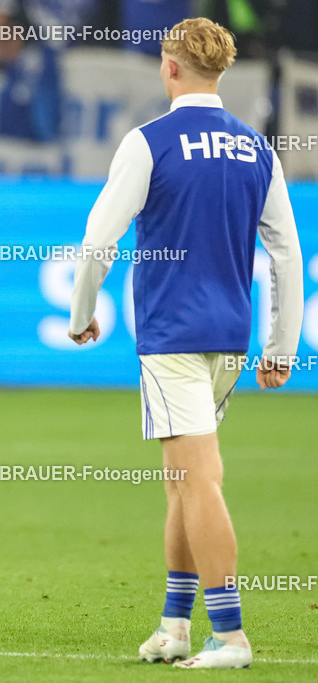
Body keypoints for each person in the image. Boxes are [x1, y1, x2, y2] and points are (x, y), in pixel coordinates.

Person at [68, 18, 303, 669]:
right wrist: (281, 345)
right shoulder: (257, 148)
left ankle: (229, 634)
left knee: (197, 481)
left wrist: (82, 312)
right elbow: (286, 253)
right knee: (184, 480)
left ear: (169, 67)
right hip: (229, 338)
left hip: (172, 335)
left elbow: (99, 239)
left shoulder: (149, 142)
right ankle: (174, 624)